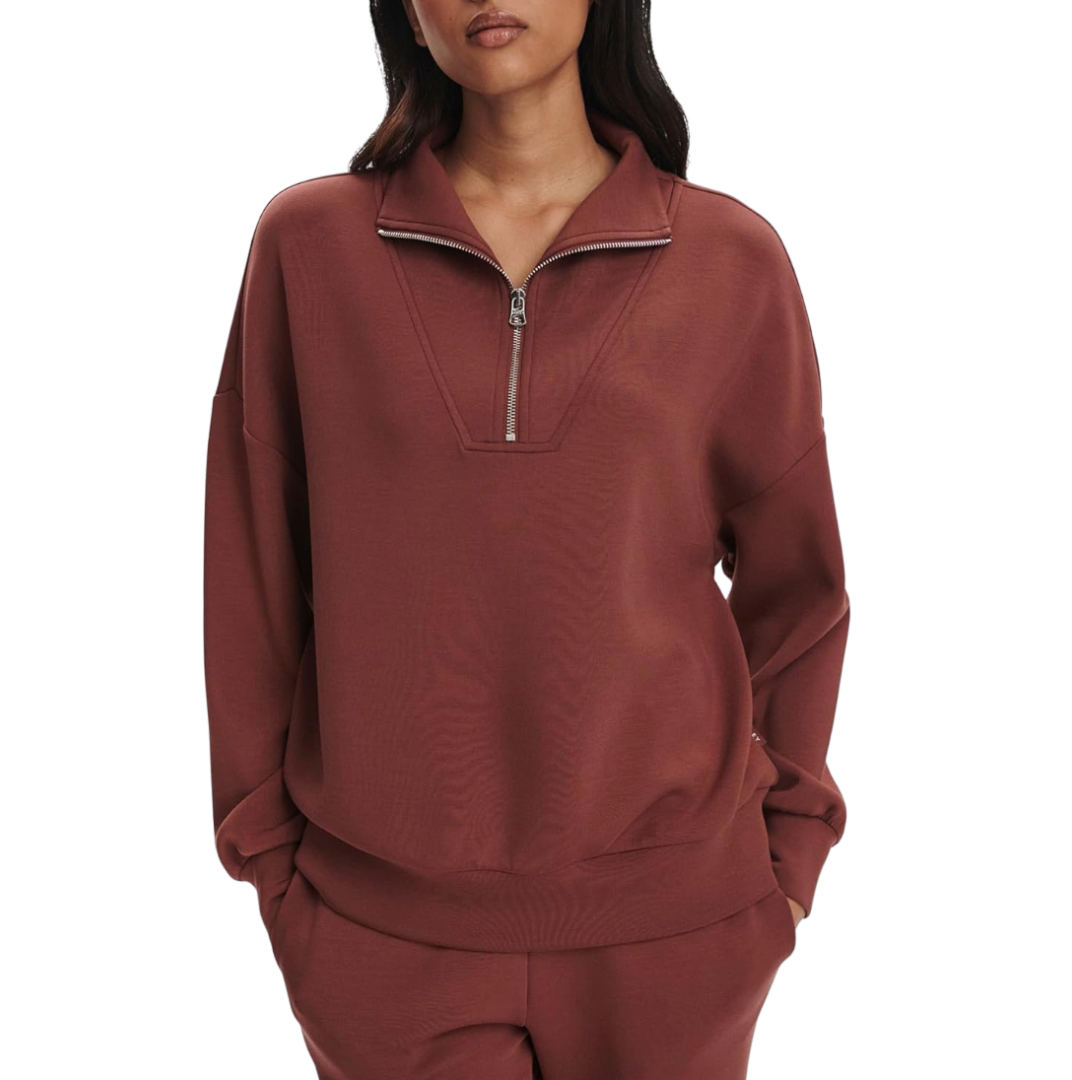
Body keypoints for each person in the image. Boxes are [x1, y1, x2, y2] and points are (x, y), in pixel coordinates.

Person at [202, 1, 851, 1077]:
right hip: (381, 942)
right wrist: (273, 864)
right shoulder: (308, 248)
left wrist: (787, 858)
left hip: (676, 938)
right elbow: (252, 579)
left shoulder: (729, 261)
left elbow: (800, 589)